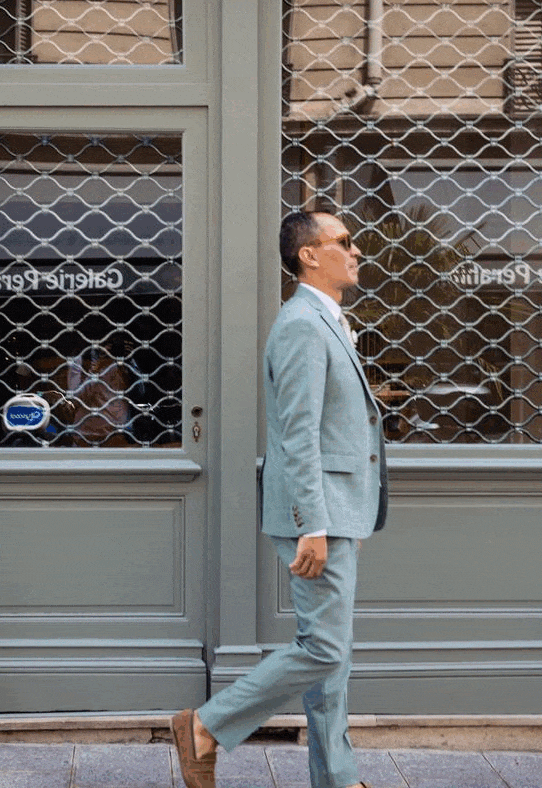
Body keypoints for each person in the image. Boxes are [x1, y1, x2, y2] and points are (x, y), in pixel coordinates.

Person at [171, 211, 387, 788]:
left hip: (341, 508)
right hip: (320, 513)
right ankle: (205, 727)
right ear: (309, 255)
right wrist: (311, 523)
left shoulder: (328, 321)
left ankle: (336, 779)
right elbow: (297, 433)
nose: (356, 249)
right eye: (343, 241)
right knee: (322, 649)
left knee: (331, 660)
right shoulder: (301, 324)